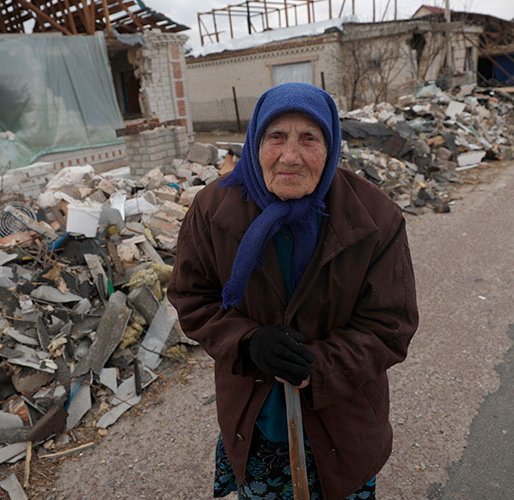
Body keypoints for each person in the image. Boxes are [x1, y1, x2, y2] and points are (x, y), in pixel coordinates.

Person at [168, 83, 419, 500]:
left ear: (331, 144)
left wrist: (318, 367)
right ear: (255, 141)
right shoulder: (213, 210)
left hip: (344, 425)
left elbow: (391, 325)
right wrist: (247, 343)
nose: (290, 156)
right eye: (276, 137)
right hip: (257, 423)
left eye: (309, 138)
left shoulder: (374, 217)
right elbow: (193, 298)